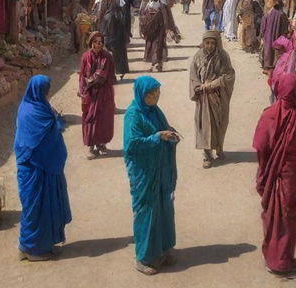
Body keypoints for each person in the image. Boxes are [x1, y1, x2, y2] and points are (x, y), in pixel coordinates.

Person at [253, 73, 296, 275]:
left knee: (273, 214)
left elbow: (261, 146)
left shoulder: (269, 114)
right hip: (294, 177)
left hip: (274, 175)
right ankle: (284, 259)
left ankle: (273, 257)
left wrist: (266, 168)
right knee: (289, 217)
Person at [123, 76, 179, 276]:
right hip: (144, 173)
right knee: (147, 212)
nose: (155, 97)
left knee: (163, 209)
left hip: (159, 169)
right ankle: (144, 257)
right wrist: (157, 137)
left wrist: (169, 133)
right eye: (151, 95)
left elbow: (160, 129)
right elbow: (131, 145)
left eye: (157, 93)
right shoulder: (133, 115)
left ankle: (162, 250)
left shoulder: (155, 111)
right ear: (141, 95)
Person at [14, 75, 71, 261]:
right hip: (34, 168)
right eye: (45, 89)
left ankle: (44, 244)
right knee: (34, 208)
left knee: (46, 207)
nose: (47, 93)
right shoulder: (31, 112)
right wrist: (56, 121)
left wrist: (55, 119)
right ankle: (30, 249)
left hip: (45, 167)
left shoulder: (36, 106)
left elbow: (51, 129)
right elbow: (36, 141)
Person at [189, 30, 235, 168]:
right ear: (203, 43)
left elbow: (229, 75)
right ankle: (207, 155)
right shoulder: (198, 57)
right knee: (205, 126)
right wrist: (199, 87)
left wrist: (213, 84)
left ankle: (219, 148)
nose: (209, 46)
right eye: (207, 43)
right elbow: (193, 76)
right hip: (204, 98)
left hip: (219, 97)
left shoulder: (223, 57)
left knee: (220, 124)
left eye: (213, 43)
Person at [79, 32, 116, 159]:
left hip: (104, 93)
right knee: (90, 118)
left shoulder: (108, 57)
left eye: (100, 42)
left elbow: (110, 75)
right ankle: (91, 147)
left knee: (103, 119)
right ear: (90, 43)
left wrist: (98, 80)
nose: (97, 45)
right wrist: (83, 90)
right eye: (95, 42)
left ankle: (101, 144)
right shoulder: (85, 57)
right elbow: (82, 76)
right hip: (90, 94)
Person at [142, 0, 181, 72]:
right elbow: (166, 20)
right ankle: (156, 65)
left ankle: (156, 65)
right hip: (155, 32)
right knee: (156, 48)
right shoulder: (157, 6)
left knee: (155, 48)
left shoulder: (153, 7)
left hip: (155, 32)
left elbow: (166, 20)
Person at [101, 0, 130, 78]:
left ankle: (115, 72)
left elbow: (107, 29)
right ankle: (120, 70)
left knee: (114, 56)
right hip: (118, 38)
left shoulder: (110, 15)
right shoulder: (119, 14)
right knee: (118, 55)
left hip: (112, 38)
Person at [260, 0, 289, 71]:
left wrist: (262, 36)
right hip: (277, 38)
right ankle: (274, 69)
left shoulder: (267, 14)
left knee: (268, 51)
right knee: (275, 53)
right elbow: (285, 29)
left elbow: (263, 27)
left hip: (267, 37)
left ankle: (267, 67)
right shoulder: (282, 15)